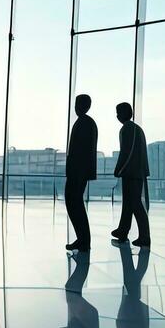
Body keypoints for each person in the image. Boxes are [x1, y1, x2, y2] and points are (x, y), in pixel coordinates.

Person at [109, 102, 151, 247]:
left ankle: (144, 236)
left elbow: (126, 152)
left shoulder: (127, 129)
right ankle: (123, 230)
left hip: (131, 172)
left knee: (135, 204)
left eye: (118, 112)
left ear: (125, 113)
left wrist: (119, 168)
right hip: (137, 171)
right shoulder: (137, 129)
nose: (117, 115)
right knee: (129, 203)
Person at [64, 93, 98, 251]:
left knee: (74, 203)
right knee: (75, 204)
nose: (76, 107)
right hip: (79, 171)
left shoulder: (84, 123)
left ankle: (83, 240)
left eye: (78, 103)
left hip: (78, 172)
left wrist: (75, 171)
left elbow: (80, 151)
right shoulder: (86, 122)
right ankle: (83, 239)